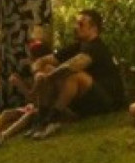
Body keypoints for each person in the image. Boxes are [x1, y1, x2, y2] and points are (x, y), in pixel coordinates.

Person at [28, 8, 125, 139]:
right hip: (86, 99)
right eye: (76, 23)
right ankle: (41, 117)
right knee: (47, 68)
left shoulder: (96, 47)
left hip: (107, 101)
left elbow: (71, 67)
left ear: (94, 28)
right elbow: (43, 61)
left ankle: (52, 119)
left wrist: (48, 78)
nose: (75, 27)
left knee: (75, 75)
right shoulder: (78, 45)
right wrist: (38, 73)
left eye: (81, 24)